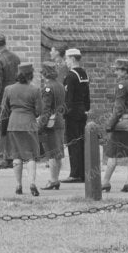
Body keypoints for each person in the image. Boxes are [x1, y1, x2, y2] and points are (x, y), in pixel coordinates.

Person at [0, 63, 43, 195]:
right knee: (31, 156)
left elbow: (4, 110)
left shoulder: (9, 89)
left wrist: (2, 125)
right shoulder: (35, 90)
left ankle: (18, 185)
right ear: (30, 75)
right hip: (29, 124)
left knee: (16, 156)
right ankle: (32, 183)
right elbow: (39, 110)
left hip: (13, 124)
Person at [101, 57, 128, 193]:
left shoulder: (121, 85)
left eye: (118, 70)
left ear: (125, 71)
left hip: (122, 122)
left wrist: (110, 124)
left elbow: (119, 109)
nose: (116, 73)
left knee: (112, 153)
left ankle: (105, 182)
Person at [60, 45, 92, 183]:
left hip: (72, 113)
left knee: (73, 143)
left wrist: (64, 112)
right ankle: (83, 172)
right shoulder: (84, 73)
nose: (66, 61)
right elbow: (87, 96)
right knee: (81, 142)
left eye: (67, 59)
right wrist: (86, 108)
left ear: (72, 59)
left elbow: (68, 98)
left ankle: (75, 173)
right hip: (82, 111)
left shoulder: (70, 76)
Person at [36, 56, 66, 190]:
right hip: (59, 120)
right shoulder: (60, 85)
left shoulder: (47, 88)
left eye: (42, 72)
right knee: (58, 152)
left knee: (52, 153)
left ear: (45, 73)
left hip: (50, 123)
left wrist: (40, 126)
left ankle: (53, 180)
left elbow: (45, 110)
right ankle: (56, 178)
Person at [0, 32, 20, 151]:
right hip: (15, 95)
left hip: (2, 98)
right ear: (5, 43)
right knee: (12, 126)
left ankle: (1, 156)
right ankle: (12, 154)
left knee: (0, 127)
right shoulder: (16, 58)